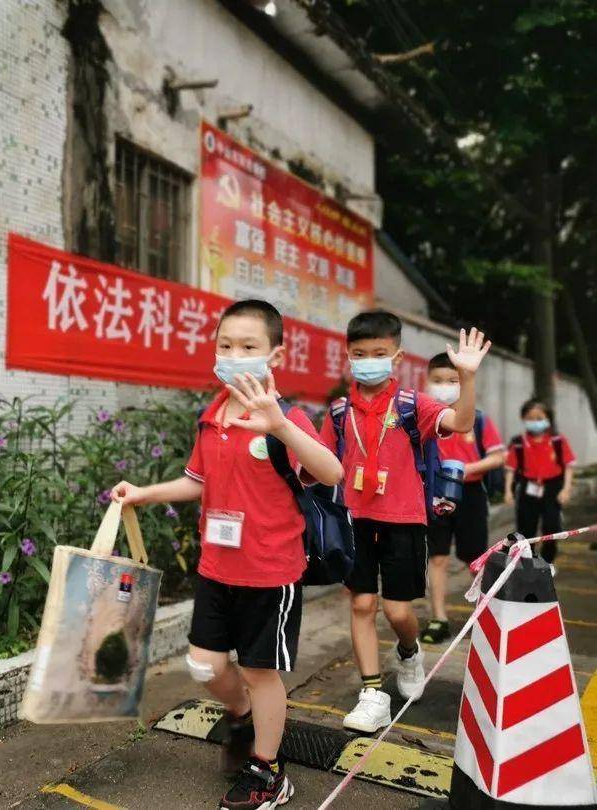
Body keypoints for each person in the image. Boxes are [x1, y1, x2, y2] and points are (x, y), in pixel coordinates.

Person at [112, 299, 343, 810]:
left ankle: (268, 773)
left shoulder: (288, 418)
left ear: (275, 354)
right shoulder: (211, 415)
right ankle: (240, 717)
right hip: (217, 568)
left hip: (271, 572)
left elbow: (332, 473)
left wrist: (280, 427)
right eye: (225, 345)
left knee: (262, 672)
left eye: (248, 346)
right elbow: (197, 482)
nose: (234, 355)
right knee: (204, 666)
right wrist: (142, 493)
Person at [319, 311, 490, 734]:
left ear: (396, 357)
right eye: (360, 354)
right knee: (361, 603)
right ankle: (372, 692)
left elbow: (462, 423)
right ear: (348, 356)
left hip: (405, 520)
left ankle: (410, 651)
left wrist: (466, 379)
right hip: (355, 520)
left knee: (398, 612)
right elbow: (320, 460)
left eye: (379, 353)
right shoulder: (340, 411)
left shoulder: (414, 405)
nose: (368, 360)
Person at [420, 353, 506, 644]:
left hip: (470, 494)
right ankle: (439, 617)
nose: (444, 386)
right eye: (438, 380)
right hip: (435, 493)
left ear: (464, 382)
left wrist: (468, 468)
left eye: (452, 381)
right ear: (427, 381)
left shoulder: (477, 419)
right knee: (438, 558)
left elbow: (498, 456)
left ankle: (484, 614)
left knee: (475, 558)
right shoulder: (422, 418)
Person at [505, 399, 575, 563]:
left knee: (551, 527)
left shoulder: (558, 441)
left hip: (553, 488)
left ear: (548, 419)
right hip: (528, 487)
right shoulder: (518, 443)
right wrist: (508, 491)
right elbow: (510, 469)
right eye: (530, 418)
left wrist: (566, 489)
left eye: (539, 418)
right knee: (526, 528)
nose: (535, 422)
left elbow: (569, 466)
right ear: (523, 419)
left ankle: (547, 562)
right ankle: (527, 562)